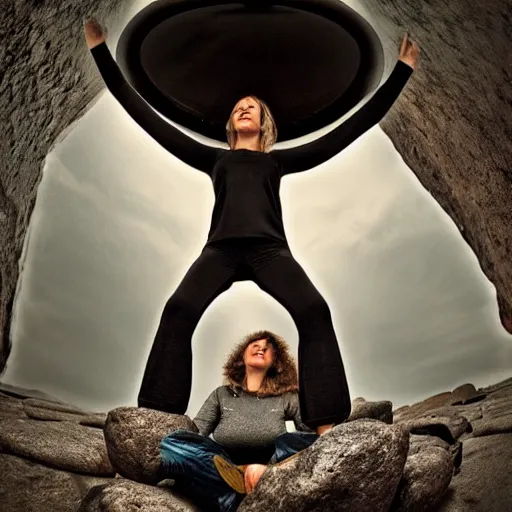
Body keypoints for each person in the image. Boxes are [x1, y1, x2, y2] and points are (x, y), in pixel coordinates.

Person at [84, 18, 419, 436]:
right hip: (220, 251)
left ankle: (325, 425)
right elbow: (147, 119)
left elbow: (352, 129)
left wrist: (401, 71)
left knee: (315, 310)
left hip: (269, 250)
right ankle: (158, 417)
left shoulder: (277, 161)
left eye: (253, 107)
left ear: (264, 124)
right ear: (230, 125)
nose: (244, 107)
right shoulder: (215, 158)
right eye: (238, 106)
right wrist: (100, 51)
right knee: (178, 311)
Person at [158, 330, 319, 512]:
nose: (261, 348)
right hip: (221, 469)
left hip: (270, 468)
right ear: (241, 357)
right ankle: (231, 493)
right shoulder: (222, 394)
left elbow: (311, 440)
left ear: (276, 361)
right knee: (174, 442)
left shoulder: (286, 397)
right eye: (255, 345)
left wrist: (269, 470)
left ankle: (234, 494)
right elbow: (196, 433)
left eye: (268, 348)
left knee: (294, 441)